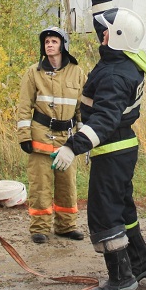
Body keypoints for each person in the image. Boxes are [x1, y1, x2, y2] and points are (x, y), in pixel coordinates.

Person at [49, 0, 146, 290]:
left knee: (104, 212)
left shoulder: (114, 76)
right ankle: (140, 263)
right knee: (122, 208)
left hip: (111, 149)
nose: (101, 32)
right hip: (122, 149)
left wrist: (72, 146)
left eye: (106, 31)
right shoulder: (122, 57)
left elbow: (105, 120)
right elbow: (106, 18)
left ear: (116, 37)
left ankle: (121, 277)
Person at [17, 27, 87, 244]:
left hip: (67, 140)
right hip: (40, 136)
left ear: (63, 45)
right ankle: (40, 228)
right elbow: (23, 106)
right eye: (46, 41)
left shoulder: (77, 72)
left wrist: (84, 137)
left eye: (54, 41)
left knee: (67, 185)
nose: (49, 44)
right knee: (40, 185)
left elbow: (82, 108)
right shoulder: (33, 72)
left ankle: (66, 226)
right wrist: (24, 136)